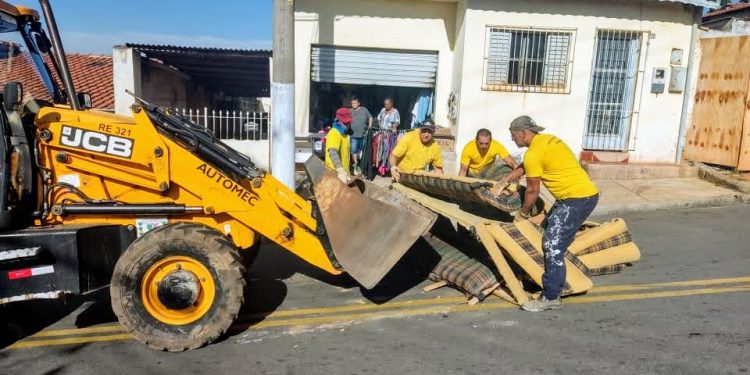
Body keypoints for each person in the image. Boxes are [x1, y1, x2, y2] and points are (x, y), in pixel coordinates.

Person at [505, 115, 599, 312]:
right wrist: (507, 179)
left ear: (523, 133)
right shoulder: (547, 141)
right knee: (544, 231)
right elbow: (527, 166)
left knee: (552, 242)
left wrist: (522, 213)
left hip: (576, 200)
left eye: (513, 135)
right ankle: (542, 276)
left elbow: (532, 191)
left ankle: (551, 296)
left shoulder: (533, 153)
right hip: (583, 195)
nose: (512, 139)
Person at [325, 107, 354, 184]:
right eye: (345, 123)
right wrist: (340, 169)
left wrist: (350, 168)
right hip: (335, 174)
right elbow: (332, 152)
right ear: (338, 121)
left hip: (344, 174)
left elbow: (345, 154)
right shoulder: (334, 133)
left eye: (348, 122)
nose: (347, 125)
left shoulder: (344, 134)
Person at [349, 97, 372, 176]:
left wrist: (369, 126)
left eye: (355, 103)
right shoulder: (350, 111)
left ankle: (363, 166)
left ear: (359, 103)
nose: (353, 105)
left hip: (363, 134)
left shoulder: (364, 110)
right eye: (352, 103)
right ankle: (356, 164)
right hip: (353, 135)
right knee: (353, 150)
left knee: (363, 151)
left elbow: (370, 117)